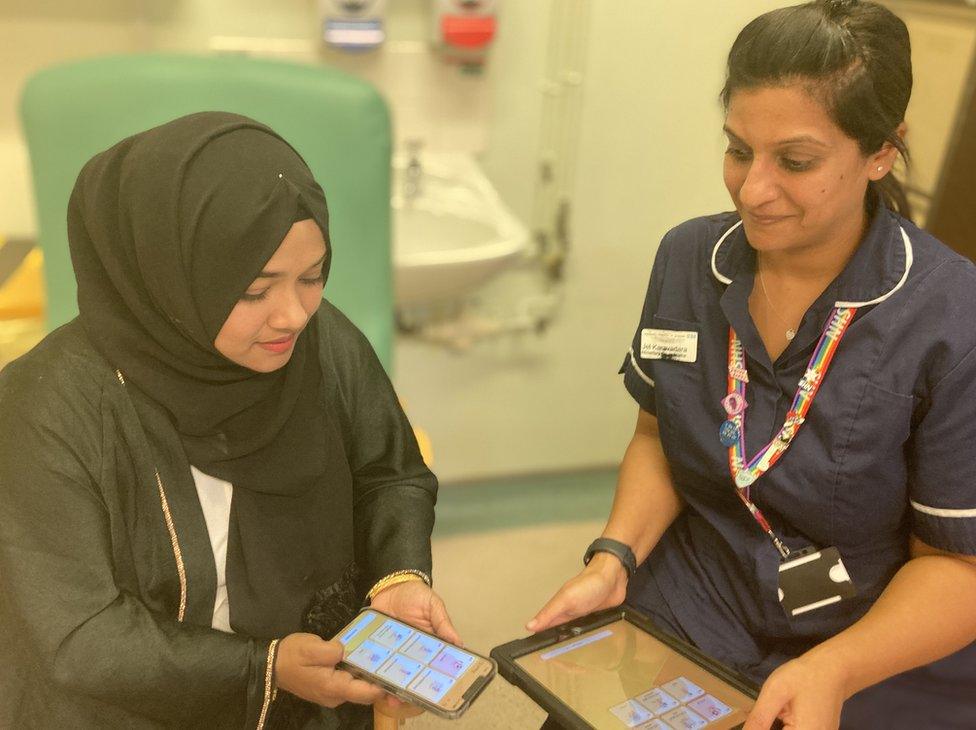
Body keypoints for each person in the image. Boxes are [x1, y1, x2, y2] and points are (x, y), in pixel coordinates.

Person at [529, 1, 976, 728]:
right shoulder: (688, 259)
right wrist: (613, 556)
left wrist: (833, 668)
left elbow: (959, 567)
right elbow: (657, 436)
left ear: (882, 152)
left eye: (795, 162)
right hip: (703, 587)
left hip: (868, 630)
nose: (751, 190)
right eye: (739, 149)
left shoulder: (952, 318)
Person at [0, 111, 460, 729]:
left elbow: (389, 474)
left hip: (312, 694)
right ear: (169, 275)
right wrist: (261, 669)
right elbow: (80, 634)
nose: (293, 316)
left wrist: (397, 575)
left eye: (313, 277)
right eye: (253, 291)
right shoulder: (47, 407)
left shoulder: (324, 346)